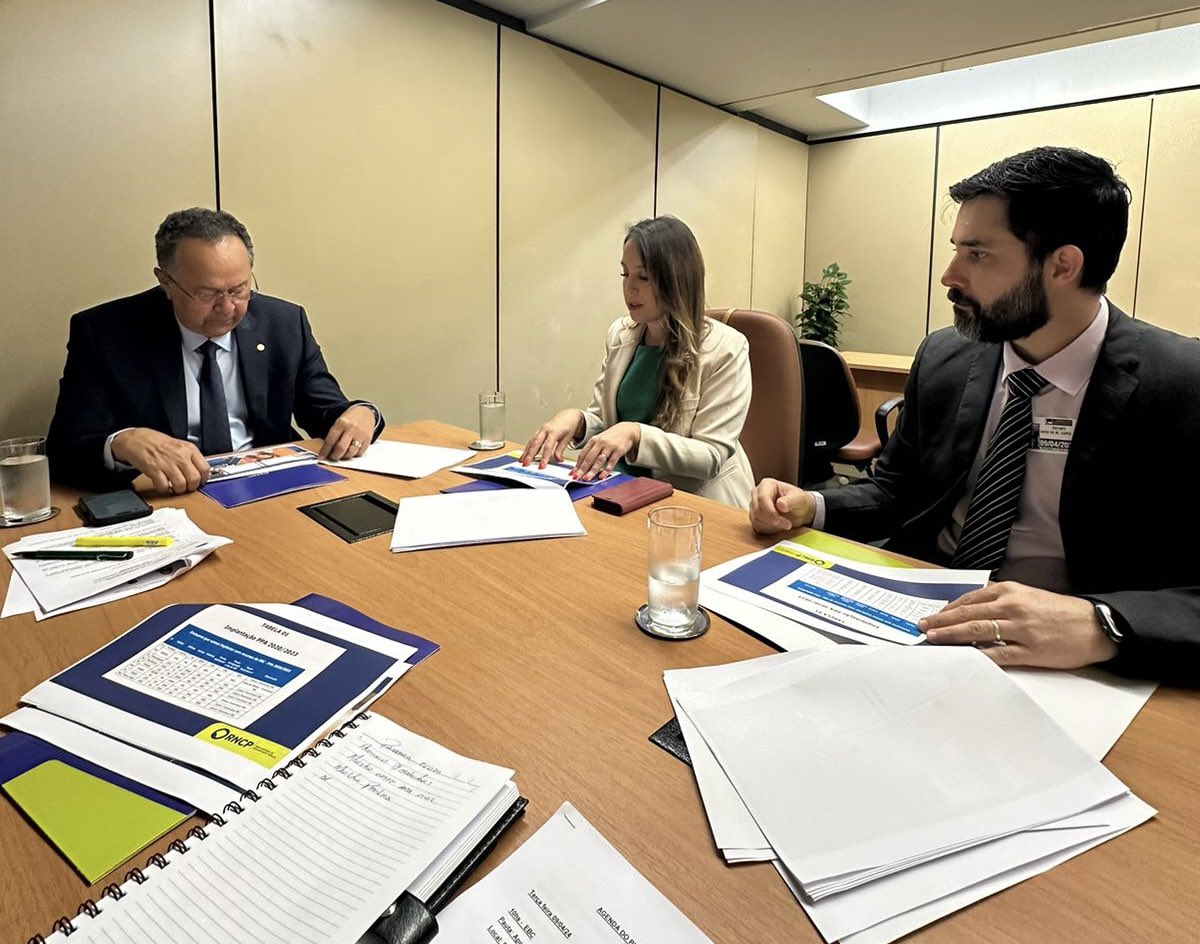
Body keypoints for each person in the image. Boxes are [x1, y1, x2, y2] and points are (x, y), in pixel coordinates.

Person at [749, 146, 1200, 684]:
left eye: (978, 254)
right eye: (955, 250)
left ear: (1063, 265)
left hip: (1067, 657)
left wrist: (1103, 623)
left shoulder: (1181, 384)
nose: (949, 275)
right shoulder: (946, 356)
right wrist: (813, 505)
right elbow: (897, 491)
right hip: (919, 612)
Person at [47, 208, 383, 494]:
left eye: (239, 289)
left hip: (270, 490)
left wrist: (363, 414)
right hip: (172, 498)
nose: (227, 308)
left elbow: (326, 413)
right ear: (165, 281)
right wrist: (122, 442)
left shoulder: (283, 322)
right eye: (206, 294)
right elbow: (64, 451)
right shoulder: (106, 333)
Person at [520, 216, 754, 508]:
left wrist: (635, 434)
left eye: (643, 277)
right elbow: (607, 425)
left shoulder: (726, 349)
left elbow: (711, 456)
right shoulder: (621, 335)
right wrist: (577, 421)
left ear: (676, 279)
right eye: (624, 274)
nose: (629, 289)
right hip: (620, 493)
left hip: (693, 505)